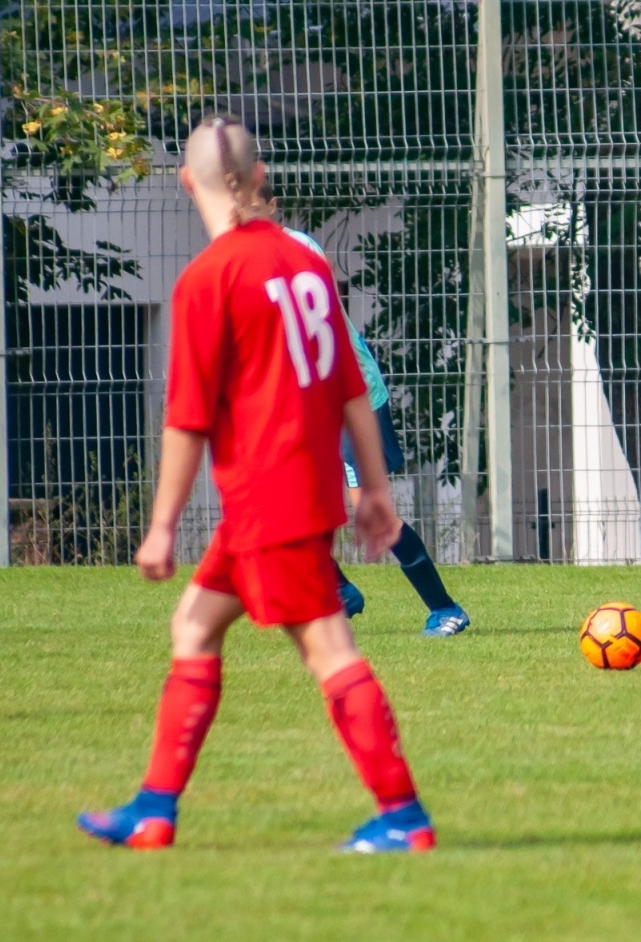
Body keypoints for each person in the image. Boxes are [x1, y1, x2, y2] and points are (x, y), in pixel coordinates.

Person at [77, 115, 435, 853]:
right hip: (292, 496)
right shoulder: (307, 269)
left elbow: (186, 423)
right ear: (261, 176)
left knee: (330, 649)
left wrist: (160, 527)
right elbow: (349, 391)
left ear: (185, 183)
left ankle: (403, 815)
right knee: (194, 626)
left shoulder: (208, 280)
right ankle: (154, 807)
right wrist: (373, 488)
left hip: (270, 502)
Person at [257, 182, 471, 637]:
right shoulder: (237, 261)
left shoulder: (298, 249)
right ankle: (338, 591)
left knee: (371, 513)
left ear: (273, 208)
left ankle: (446, 609)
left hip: (349, 396)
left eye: (248, 204)